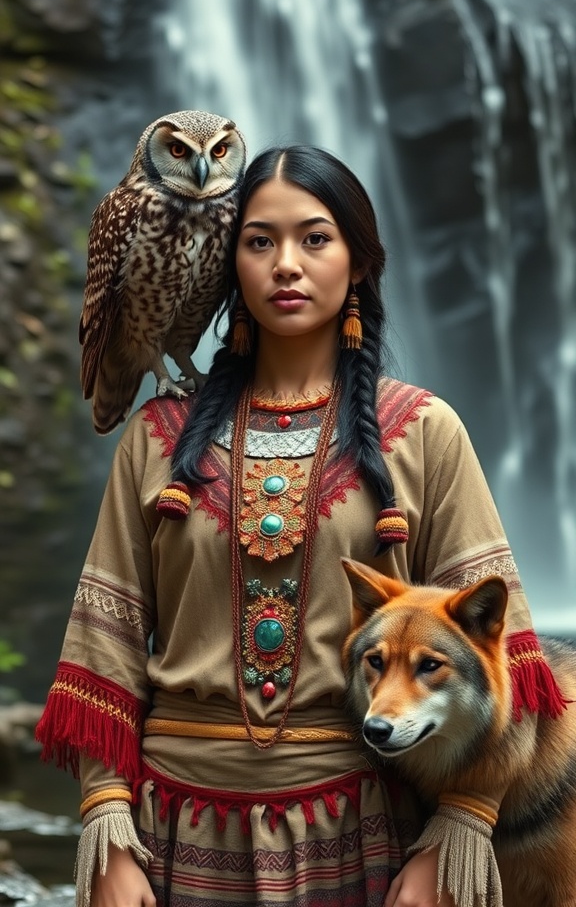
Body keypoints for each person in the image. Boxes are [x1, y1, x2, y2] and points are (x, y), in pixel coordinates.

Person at [36, 146, 566, 907]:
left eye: (315, 238)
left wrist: (460, 824)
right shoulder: (157, 437)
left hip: (366, 839)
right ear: (230, 264)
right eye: (259, 242)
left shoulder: (422, 432)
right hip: (169, 841)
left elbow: (502, 652)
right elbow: (106, 645)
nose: (287, 264)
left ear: (357, 262)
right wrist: (106, 824)